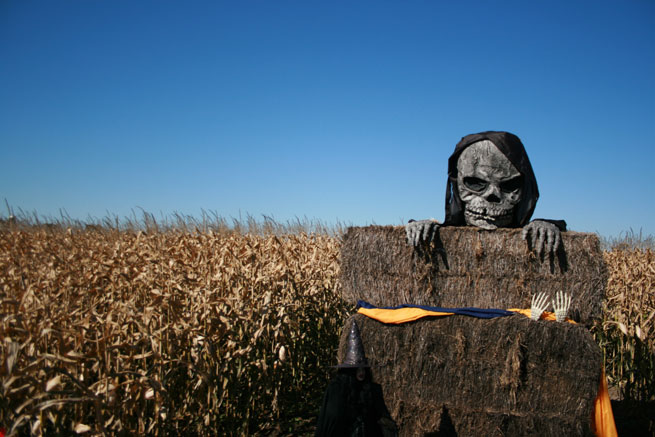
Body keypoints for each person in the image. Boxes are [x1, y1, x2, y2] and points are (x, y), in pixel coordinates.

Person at [315, 320, 398, 437]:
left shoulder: (371, 390)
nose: (361, 372)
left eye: (363, 369)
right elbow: (333, 419)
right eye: (357, 369)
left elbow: (380, 416)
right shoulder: (337, 389)